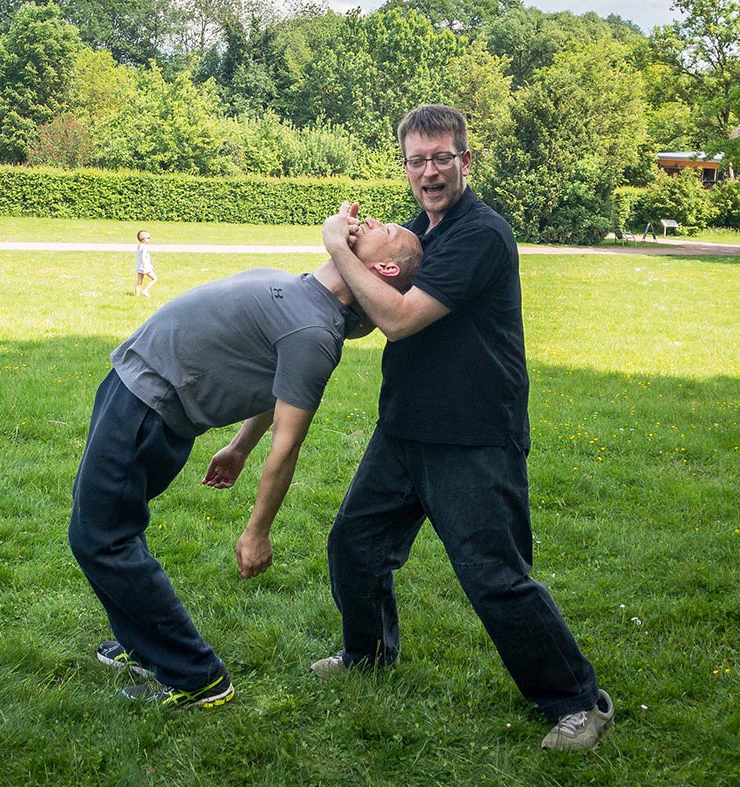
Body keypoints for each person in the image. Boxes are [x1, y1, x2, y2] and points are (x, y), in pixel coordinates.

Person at [312, 104, 613, 752]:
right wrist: (360, 256)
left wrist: (338, 243)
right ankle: (368, 656)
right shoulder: (417, 230)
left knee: (493, 574)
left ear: (465, 161)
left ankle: (579, 702)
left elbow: (396, 318)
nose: (429, 171)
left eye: (441, 157)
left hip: (474, 434)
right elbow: (369, 308)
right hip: (407, 428)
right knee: (355, 545)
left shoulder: (480, 233)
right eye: (416, 160)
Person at [69, 214, 422, 710]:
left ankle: (197, 677)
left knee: (100, 538)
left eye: (388, 230)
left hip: (146, 411)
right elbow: (270, 382)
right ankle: (142, 646)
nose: (378, 220)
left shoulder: (315, 334)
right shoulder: (310, 298)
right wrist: (238, 446)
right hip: (133, 392)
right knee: (109, 530)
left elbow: (288, 441)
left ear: (384, 268)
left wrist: (257, 531)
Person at [134, 229, 157, 297]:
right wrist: (146, 267)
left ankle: (136, 296)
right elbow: (143, 257)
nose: (149, 239)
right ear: (144, 239)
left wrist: (149, 264)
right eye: (148, 238)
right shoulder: (145, 247)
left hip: (139, 267)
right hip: (145, 267)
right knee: (154, 279)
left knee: (139, 283)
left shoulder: (139, 246)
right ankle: (145, 291)